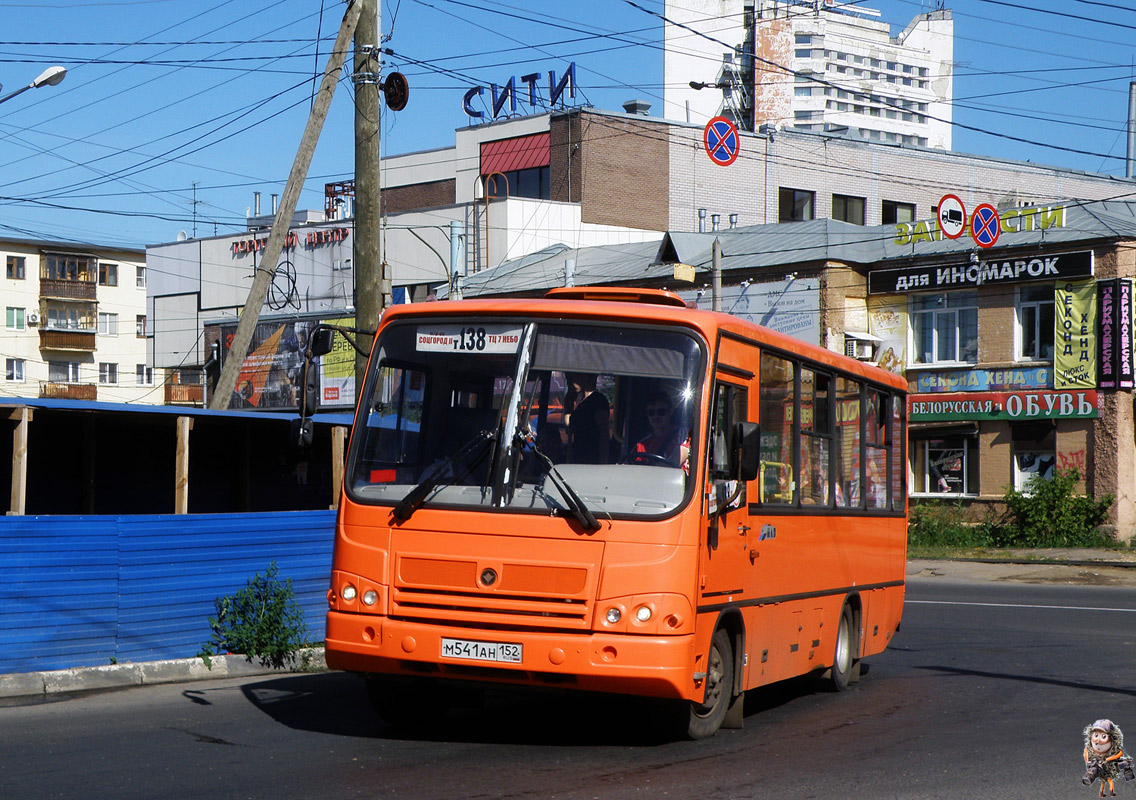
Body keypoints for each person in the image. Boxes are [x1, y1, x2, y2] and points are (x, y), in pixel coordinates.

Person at [633, 391, 688, 467]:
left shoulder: (682, 435)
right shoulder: (642, 445)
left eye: (661, 412)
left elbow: (675, 462)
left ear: (670, 411)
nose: (656, 416)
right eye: (651, 413)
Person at [565, 372, 609, 463]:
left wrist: (603, 463)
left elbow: (603, 435)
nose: (568, 384)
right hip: (579, 456)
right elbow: (569, 427)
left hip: (592, 457)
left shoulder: (598, 401)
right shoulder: (580, 401)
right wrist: (568, 404)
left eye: (572, 379)